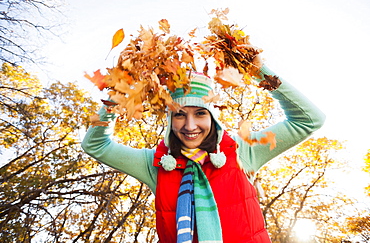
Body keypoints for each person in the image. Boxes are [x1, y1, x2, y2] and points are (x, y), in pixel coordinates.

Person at [81, 57, 326, 242]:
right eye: (179, 115)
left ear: (213, 118)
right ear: (170, 119)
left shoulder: (241, 151)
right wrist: (120, 95)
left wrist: (257, 69)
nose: (190, 126)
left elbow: (309, 119)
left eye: (200, 113)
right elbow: (95, 145)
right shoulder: (156, 163)